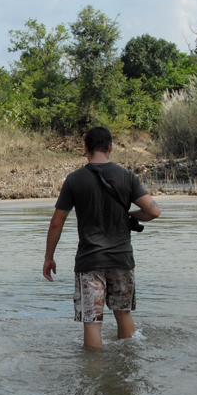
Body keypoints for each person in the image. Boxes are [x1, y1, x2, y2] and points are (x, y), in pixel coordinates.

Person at [43, 126, 161, 348]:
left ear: (85, 148)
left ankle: (94, 373)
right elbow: (153, 212)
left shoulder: (74, 179)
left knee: (92, 321)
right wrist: (130, 214)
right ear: (111, 148)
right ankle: (126, 364)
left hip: (90, 260)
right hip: (121, 259)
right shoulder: (127, 177)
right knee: (123, 314)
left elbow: (56, 222)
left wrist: (49, 257)